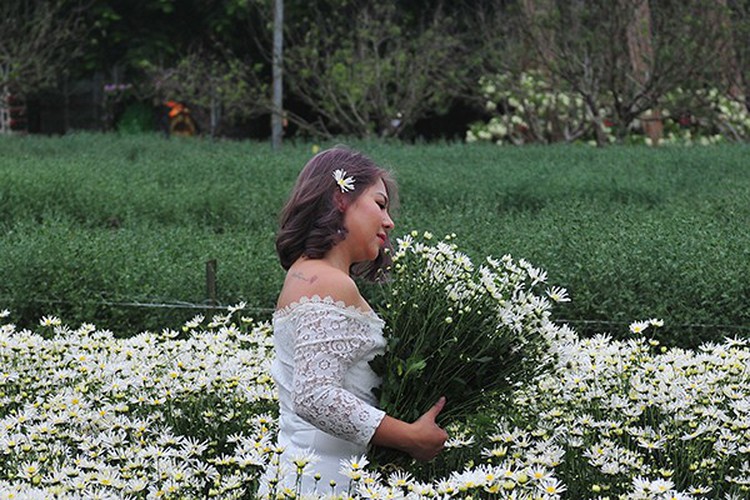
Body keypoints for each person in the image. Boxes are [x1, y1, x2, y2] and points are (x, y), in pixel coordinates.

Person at [266, 147, 448, 495]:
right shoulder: (328, 281)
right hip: (324, 481)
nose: (389, 221)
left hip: (305, 478)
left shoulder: (308, 274)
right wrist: (409, 437)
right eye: (380, 204)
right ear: (340, 197)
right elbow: (315, 395)